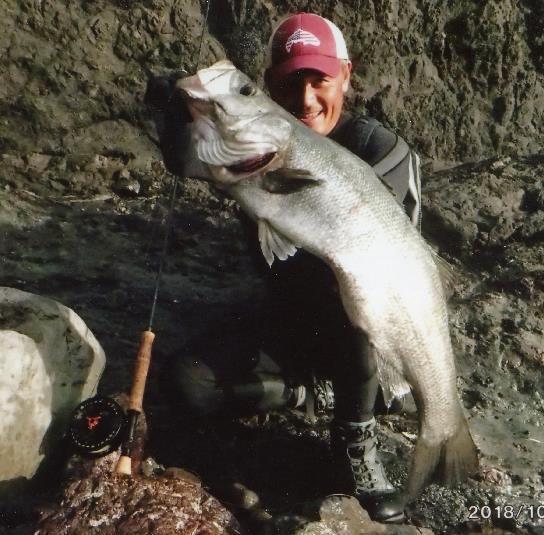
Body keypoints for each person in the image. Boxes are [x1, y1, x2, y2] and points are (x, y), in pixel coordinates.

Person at [148, 12, 422, 525]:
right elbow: (186, 157)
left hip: (368, 327)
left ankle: (357, 435)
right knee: (187, 385)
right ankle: (308, 392)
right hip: (289, 319)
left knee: (361, 312)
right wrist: (171, 112)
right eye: (291, 82)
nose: (307, 99)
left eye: (320, 79)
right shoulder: (252, 138)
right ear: (271, 84)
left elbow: (398, 270)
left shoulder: (379, 150)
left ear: (346, 75)